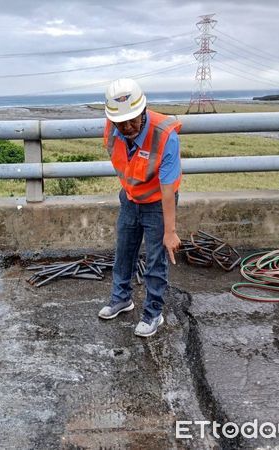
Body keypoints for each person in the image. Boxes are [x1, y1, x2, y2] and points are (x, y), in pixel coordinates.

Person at [98, 78, 182, 337]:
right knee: (124, 251)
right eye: (121, 122)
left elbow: (168, 190)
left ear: (144, 110)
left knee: (156, 260)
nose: (128, 126)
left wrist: (170, 231)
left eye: (133, 119)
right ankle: (121, 298)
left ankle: (153, 314)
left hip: (157, 203)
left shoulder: (165, 135)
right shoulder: (113, 128)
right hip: (130, 199)